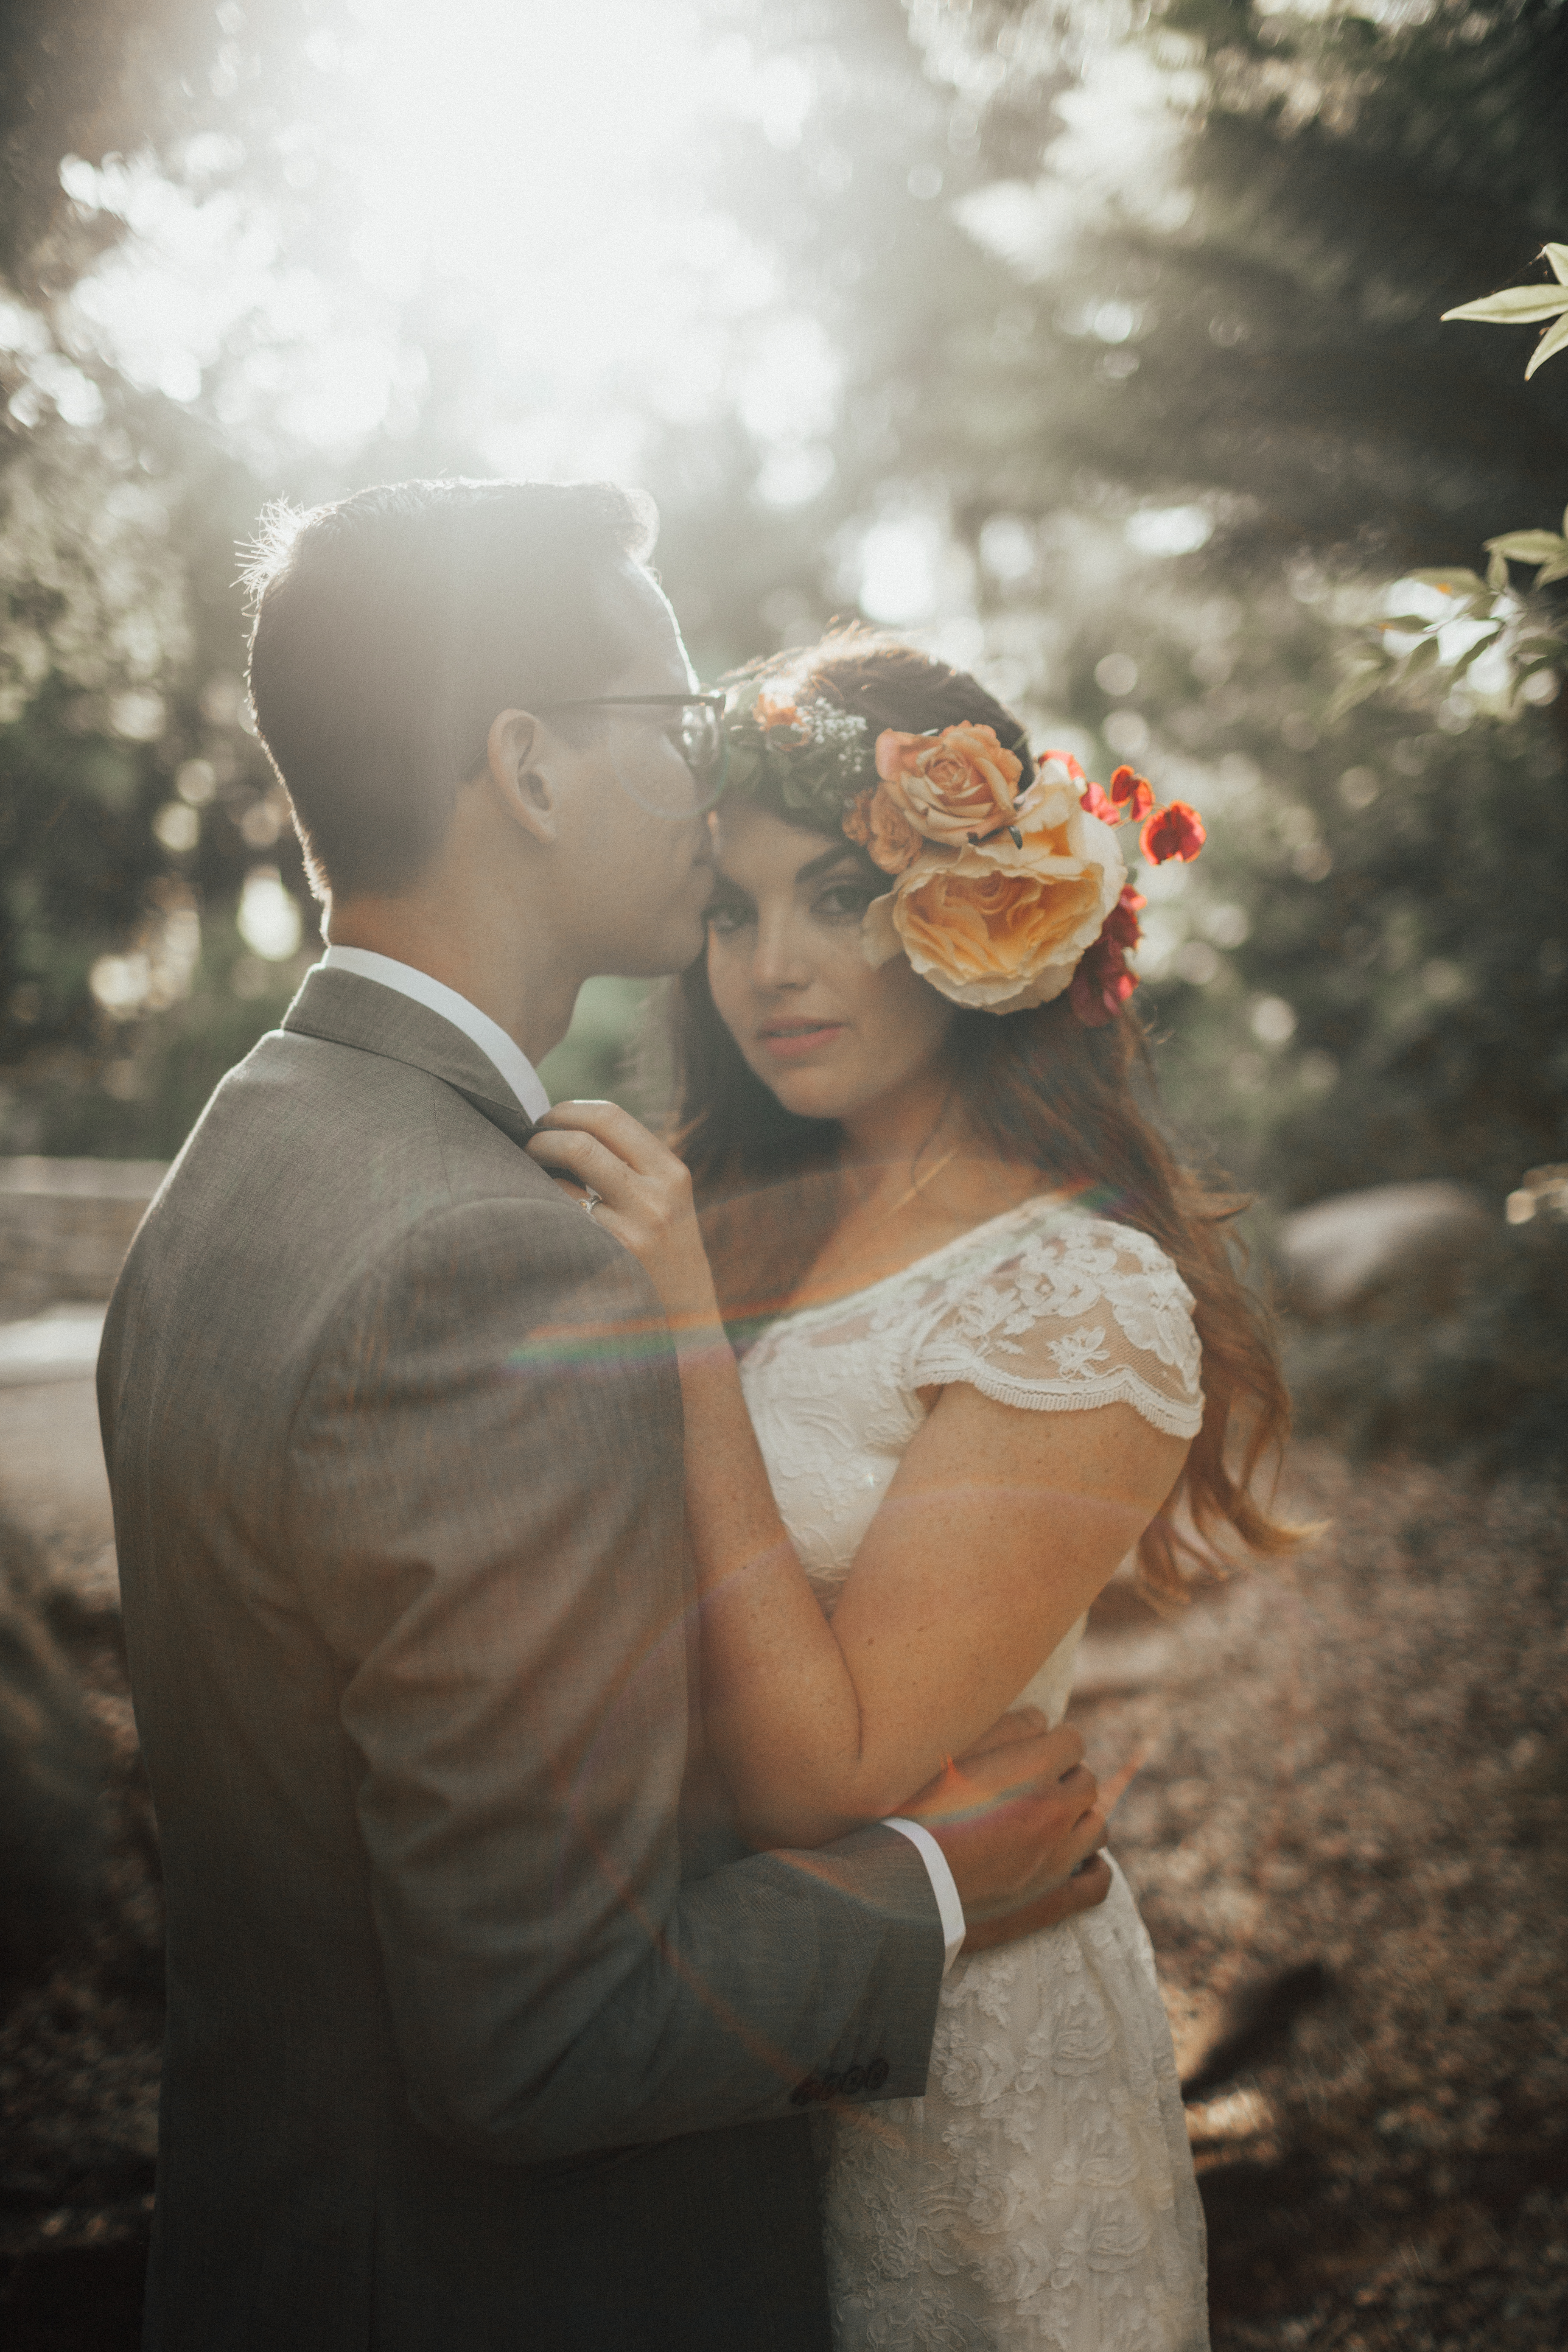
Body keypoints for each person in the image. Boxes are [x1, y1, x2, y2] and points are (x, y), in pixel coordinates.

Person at [96, 482, 1114, 2352]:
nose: (705, 769)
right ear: (533, 768)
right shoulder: (483, 1265)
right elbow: (543, 2040)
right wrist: (928, 1885)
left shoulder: (252, 1143)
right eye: (669, 717)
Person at [529, 635, 1299, 2349]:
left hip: (967, 2090)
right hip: (686, 2042)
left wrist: (680, 1340)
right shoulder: (705, 1209)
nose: (774, 968)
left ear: (981, 910)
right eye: (731, 912)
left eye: (840, 897)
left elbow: (830, 1774)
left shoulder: (1073, 1299)